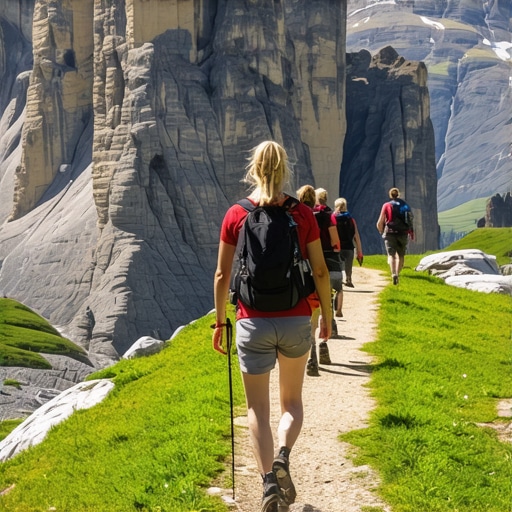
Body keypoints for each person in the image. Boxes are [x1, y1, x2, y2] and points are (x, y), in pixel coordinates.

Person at [213, 141, 333, 512]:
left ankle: (268, 483)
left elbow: (221, 274)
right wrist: (326, 316)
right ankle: (283, 456)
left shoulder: (237, 213)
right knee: (292, 403)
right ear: (284, 170)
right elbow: (320, 270)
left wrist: (220, 322)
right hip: (296, 318)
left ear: (254, 168)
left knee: (256, 410)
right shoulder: (302, 215)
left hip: (251, 321)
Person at [296, 184, 321, 377]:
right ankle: (313, 352)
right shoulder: (319, 217)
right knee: (314, 319)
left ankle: (298, 358)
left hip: (296, 278)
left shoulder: (293, 216)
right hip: (314, 277)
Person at [313, 188, 342, 350]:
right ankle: (325, 336)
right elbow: (335, 241)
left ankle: (310, 349)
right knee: (327, 296)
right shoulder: (329, 216)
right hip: (328, 258)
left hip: (310, 259)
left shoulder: (307, 215)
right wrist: (335, 249)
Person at [376, 187, 414, 285]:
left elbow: (380, 222)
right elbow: (410, 219)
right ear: (398, 194)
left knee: (391, 255)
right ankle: (398, 273)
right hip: (403, 233)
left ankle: (393, 274)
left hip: (390, 233)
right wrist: (411, 232)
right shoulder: (405, 205)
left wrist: (381, 231)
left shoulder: (386, 205)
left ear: (390, 195)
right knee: (401, 255)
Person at [333, 198, 363, 288]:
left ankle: (338, 280)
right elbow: (356, 237)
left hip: (337, 246)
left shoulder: (333, 218)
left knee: (337, 265)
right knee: (348, 265)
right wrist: (359, 252)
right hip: (349, 247)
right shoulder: (351, 219)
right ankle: (348, 278)